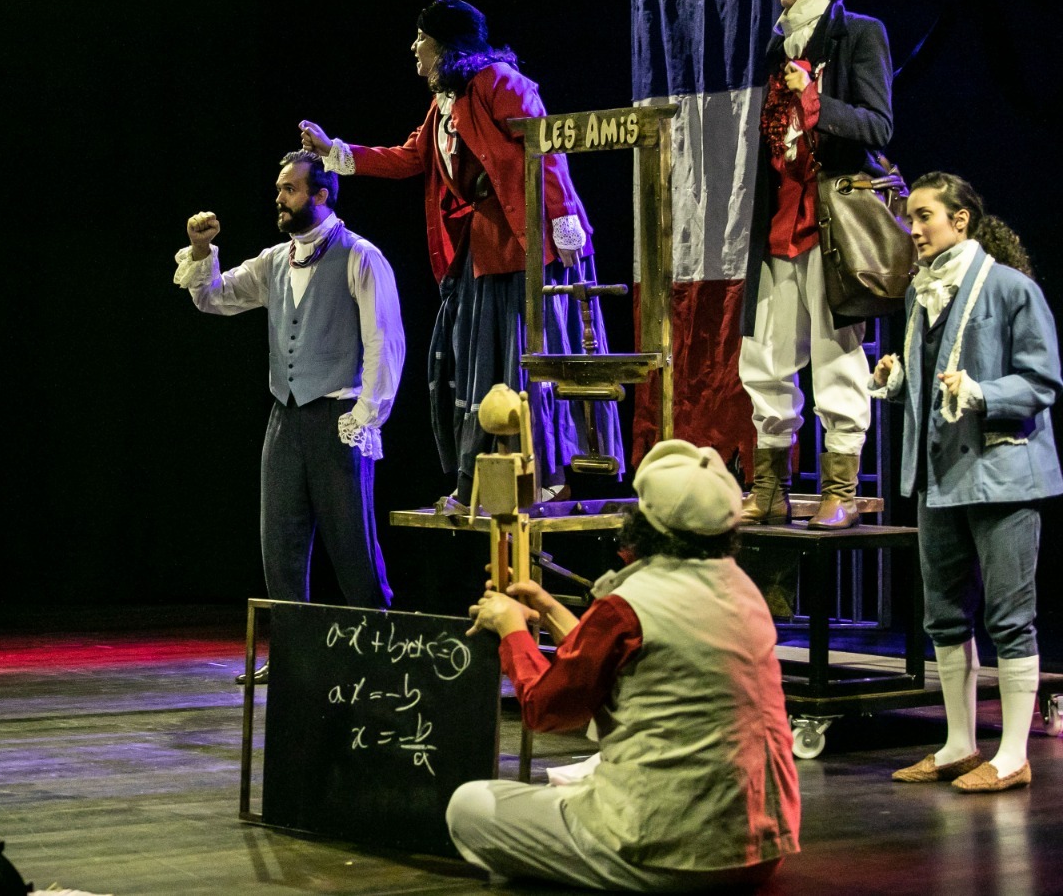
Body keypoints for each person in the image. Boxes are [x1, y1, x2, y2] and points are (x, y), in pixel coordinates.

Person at [298, 0, 619, 511]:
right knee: (479, 364)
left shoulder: (499, 83)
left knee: (529, 358)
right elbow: (410, 158)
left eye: (421, 38)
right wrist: (336, 151)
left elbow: (546, 151)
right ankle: (484, 479)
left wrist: (562, 222)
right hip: (484, 248)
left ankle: (546, 474)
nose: (414, 48)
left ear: (444, 44)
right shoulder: (446, 101)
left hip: (527, 244)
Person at [448, 439, 800, 890]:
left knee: (471, 806)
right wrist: (547, 607)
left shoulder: (630, 604)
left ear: (646, 525)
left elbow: (547, 709)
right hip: (760, 852)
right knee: (589, 773)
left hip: (671, 857)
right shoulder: (743, 591)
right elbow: (622, 660)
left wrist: (511, 629)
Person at [175, 150, 404, 683]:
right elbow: (213, 297)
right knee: (280, 541)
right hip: (286, 416)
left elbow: (384, 341)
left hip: (339, 415)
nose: (279, 197)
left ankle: (381, 651)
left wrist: (365, 415)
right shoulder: (275, 260)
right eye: (280, 188)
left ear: (320, 195)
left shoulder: (360, 256)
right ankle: (294, 656)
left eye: (290, 189)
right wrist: (202, 251)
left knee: (353, 545)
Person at [871, 173, 1062, 793]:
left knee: (1010, 617)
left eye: (923, 216)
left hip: (1002, 475)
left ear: (961, 220)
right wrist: (898, 381)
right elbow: (933, 384)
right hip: (940, 477)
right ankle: (958, 744)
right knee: (945, 616)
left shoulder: (1010, 289)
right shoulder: (919, 292)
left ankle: (1012, 755)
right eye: (910, 218)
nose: (913, 229)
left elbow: (1042, 381)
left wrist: (984, 392)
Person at [740, 0, 894, 529]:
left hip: (832, 222)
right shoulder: (776, 46)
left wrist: (815, 100)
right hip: (779, 220)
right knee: (766, 357)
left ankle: (840, 492)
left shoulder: (860, 33)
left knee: (836, 357)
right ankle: (769, 489)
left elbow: (878, 125)